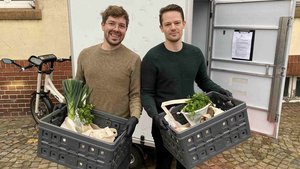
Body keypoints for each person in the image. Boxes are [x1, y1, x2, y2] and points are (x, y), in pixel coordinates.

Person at [141, 4, 232, 169]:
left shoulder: (195, 53)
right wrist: (155, 116)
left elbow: (203, 81)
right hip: (164, 123)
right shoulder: (152, 57)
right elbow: (146, 93)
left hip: (190, 120)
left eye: (176, 22)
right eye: (168, 24)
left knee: (186, 162)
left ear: (184, 23)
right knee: (164, 163)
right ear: (161, 28)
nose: (173, 27)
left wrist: (220, 91)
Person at [75, 5, 141, 168]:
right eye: (112, 23)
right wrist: (67, 104)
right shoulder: (85, 55)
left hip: (119, 132)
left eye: (122, 25)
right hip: (90, 129)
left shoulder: (133, 59)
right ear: (103, 25)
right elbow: (77, 88)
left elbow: (135, 95)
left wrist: (135, 117)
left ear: (126, 29)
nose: (116, 29)